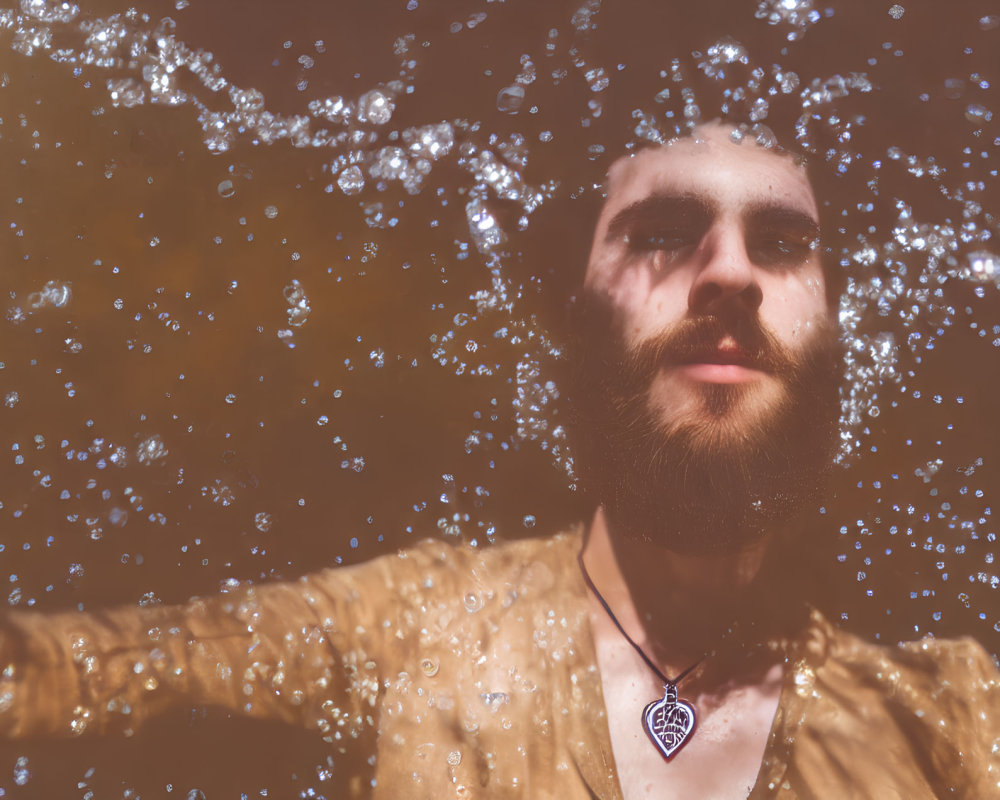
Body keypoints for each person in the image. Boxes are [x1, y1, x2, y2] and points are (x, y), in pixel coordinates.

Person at [1, 122, 996, 799]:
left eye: (781, 243)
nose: (729, 272)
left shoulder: (948, 711)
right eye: (661, 234)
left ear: (832, 333)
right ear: (576, 313)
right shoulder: (416, 627)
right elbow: (73, 669)